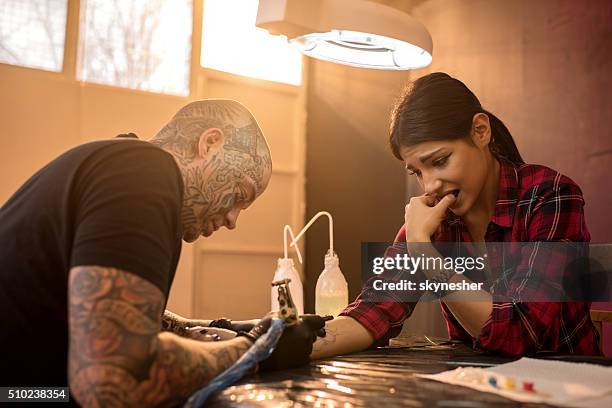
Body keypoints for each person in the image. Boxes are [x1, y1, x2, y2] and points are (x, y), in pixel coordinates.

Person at [0, 99, 326, 406]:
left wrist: (234, 328)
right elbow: (112, 379)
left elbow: (124, 312)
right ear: (210, 144)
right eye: (239, 194)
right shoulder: (144, 172)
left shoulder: (121, 166)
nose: (232, 220)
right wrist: (258, 351)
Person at [311, 72, 601, 359]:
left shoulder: (551, 196)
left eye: (439, 161)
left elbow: (518, 334)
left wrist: (425, 254)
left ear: (480, 131)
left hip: (567, 389)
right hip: (480, 386)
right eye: (418, 172)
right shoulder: (435, 217)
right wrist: (296, 345)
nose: (430, 186)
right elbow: (374, 311)